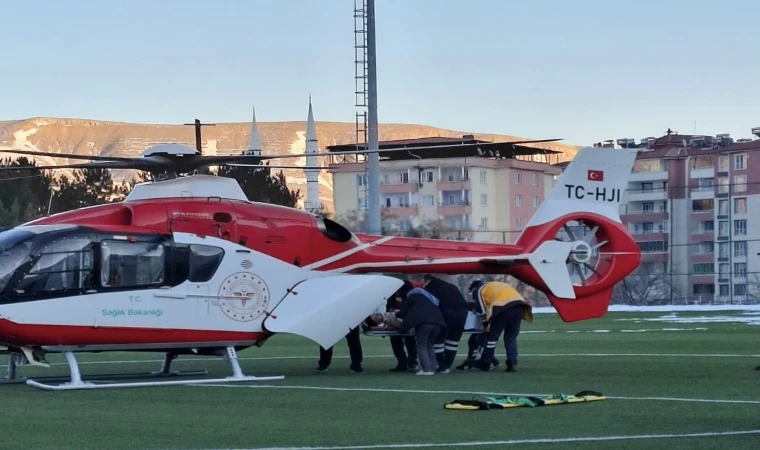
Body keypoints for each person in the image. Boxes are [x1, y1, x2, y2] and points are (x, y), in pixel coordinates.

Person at [469, 279, 533, 372]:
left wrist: (485, 325)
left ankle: (486, 362)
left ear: (474, 288)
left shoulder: (479, 290)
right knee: (511, 337)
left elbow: (482, 310)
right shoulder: (496, 285)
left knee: (492, 337)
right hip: (519, 306)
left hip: (502, 308)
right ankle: (512, 362)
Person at [394, 280, 447, 376]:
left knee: (421, 345)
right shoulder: (428, 298)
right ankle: (432, 368)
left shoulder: (412, 297)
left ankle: (426, 370)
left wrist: (395, 317)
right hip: (439, 323)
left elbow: (404, 313)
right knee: (430, 345)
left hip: (425, 324)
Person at [421, 274, 468, 373]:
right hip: (462, 314)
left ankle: (442, 365)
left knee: (438, 340)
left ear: (427, 281)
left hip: (445, 314)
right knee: (453, 342)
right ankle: (448, 364)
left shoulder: (430, 289)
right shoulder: (452, 286)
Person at [385, 284, 418, 372]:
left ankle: (407, 362)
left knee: (406, 340)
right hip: (401, 318)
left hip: (405, 318)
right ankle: (407, 362)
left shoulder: (405, 293)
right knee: (405, 341)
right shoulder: (394, 293)